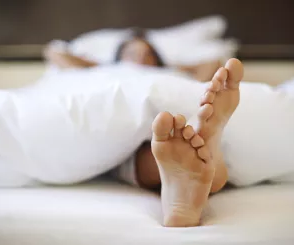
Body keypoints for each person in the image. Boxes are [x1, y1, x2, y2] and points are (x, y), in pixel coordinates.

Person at [44, 29, 244, 227]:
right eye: (132, 53)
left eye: (148, 54)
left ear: (157, 60)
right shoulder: (105, 71)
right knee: (149, 149)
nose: (140, 57)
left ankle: (193, 171)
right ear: (119, 58)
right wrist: (105, 65)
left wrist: (167, 67)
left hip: (159, 131)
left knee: (162, 146)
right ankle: (206, 165)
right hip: (120, 136)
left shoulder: (169, 73)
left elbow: (212, 64)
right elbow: (54, 53)